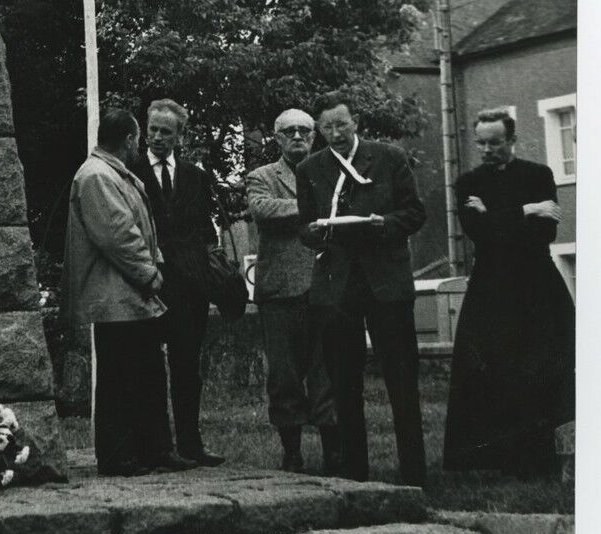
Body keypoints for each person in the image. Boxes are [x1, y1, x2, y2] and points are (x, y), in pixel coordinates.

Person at [296, 91, 428, 487]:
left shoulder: (388, 157)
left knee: (402, 381)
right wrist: (316, 233)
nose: (335, 133)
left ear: (356, 122)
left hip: (386, 281)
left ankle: (414, 474)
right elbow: (305, 226)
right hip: (338, 287)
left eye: (342, 124)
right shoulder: (310, 169)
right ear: (319, 129)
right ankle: (355, 473)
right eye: (327, 127)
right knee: (343, 382)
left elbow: (414, 212)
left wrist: (384, 225)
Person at [63, 107, 194, 477]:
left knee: (147, 373)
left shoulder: (111, 173)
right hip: (116, 297)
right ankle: (119, 456)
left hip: (130, 297)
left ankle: (153, 450)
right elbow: (118, 234)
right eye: (140, 137)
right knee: (121, 379)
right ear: (130, 139)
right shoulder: (97, 176)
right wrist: (151, 274)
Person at [443, 109, 575, 476]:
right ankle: (495, 460)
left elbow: (544, 235)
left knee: (541, 366)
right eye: (481, 143)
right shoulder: (468, 182)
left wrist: (494, 216)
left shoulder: (539, 175)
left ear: (512, 141)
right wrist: (527, 209)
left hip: (537, 286)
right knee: (493, 367)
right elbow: (478, 233)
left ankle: (542, 459)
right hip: (491, 287)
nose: (486, 150)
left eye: (495, 143)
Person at [246, 108, 340, 473]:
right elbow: (263, 210)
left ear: (315, 135)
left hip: (325, 287)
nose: (297, 137)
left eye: (304, 131)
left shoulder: (332, 172)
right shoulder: (261, 176)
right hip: (280, 291)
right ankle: (292, 452)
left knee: (326, 371)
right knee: (284, 376)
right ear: (277, 137)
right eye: (289, 132)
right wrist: (317, 209)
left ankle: (333, 451)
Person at [133, 99, 226, 466]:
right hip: (149, 285)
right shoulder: (132, 171)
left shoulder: (194, 175)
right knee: (148, 367)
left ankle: (191, 443)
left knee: (187, 367)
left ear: (179, 136)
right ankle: (157, 446)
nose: (157, 138)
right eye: (152, 130)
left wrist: (205, 266)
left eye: (166, 132)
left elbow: (206, 228)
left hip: (190, 288)